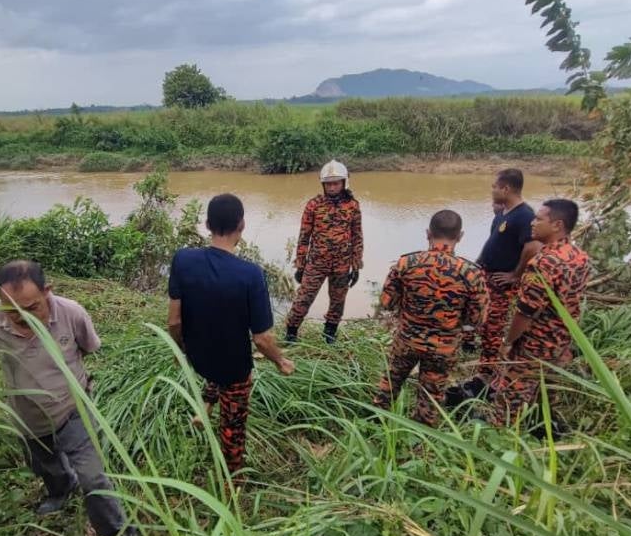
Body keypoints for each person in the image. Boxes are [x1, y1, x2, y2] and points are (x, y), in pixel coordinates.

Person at [0, 260, 138, 536]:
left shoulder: (71, 313)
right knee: (44, 463)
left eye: (31, 307)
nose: (22, 318)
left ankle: (119, 535)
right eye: (12, 311)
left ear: (47, 291)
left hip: (72, 409)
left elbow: (87, 348)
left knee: (92, 476)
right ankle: (61, 489)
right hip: (26, 415)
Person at [167, 194, 295, 483]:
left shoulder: (183, 259)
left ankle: (205, 408)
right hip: (233, 368)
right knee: (233, 428)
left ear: (208, 224)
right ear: (242, 225)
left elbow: (174, 320)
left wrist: (181, 349)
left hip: (199, 356)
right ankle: (233, 480)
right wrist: (280, 361)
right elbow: (262, 340)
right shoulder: (250, 275)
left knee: (217, 355)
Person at [373, 210, 489, 425]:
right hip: (442, 348)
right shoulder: (471, 273)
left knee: (390, 383)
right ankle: (419, 443)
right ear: (460, 236)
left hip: (407, 340)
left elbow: (387, 302)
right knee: (431, 396)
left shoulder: (406, 263)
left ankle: (375, 423)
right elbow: (477, 319)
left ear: (428, 233)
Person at [484, 199, 590, 426]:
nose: (532, 222)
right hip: (561, 342)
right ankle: (542, 430)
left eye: (539, 219)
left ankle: (498, 442)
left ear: (557, 225)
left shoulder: (543, 263)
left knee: (509, 399)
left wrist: (507, 341)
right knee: (546, 393)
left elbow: (525, 312)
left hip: (534, 345)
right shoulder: (579, 257)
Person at [464, 168, 541, 394]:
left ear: (506, 189)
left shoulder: (525, 216)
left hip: (501, 281)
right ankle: (481, 364)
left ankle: (485, 374)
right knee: (478, 316)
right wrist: (478, 263)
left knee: (492, 326)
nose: (492, 190)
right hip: (487, 273)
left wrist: (515, 275)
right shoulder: (504, 213)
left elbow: (533, 247)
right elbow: (494, 241)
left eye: (495, 186)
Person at [285, 159, 364, 344]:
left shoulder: (353, 206)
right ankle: (291, 334)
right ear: (323, 184)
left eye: (336, 183)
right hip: (316, 262)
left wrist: (356, 265)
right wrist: (300, 264)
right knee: (303, 298)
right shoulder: (314, 205)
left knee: (338, 302)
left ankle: (329, 334)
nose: (332, 187)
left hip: (342, 264)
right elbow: (304, 236)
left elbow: (357, 236)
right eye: (328, 184)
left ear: (344, 183)